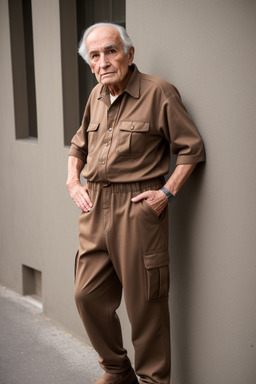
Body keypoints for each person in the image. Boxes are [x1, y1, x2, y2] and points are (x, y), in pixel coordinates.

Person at [66, 22, 205, 384]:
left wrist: (166, 193)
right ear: (90, 64)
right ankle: (117, 370)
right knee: (87, 295)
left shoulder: (159, 92)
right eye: (94, 56)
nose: (103, 61)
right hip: (95, 207)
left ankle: (153, 381)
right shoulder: (96, 96)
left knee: (146, 306)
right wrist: (72, 182)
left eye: (110, 51)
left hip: (138, 207)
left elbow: (192, 150)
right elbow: (79, 146)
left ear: (129, 54)